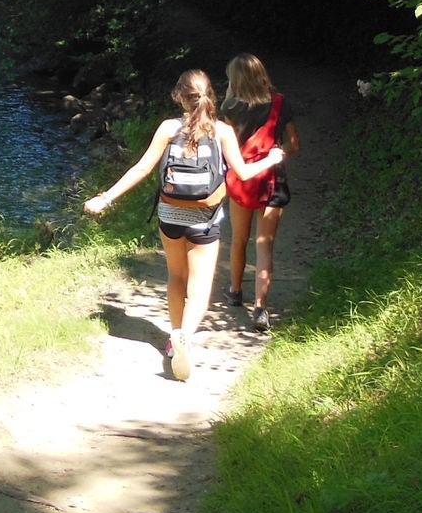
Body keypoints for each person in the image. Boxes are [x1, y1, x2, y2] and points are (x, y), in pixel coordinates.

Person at [84, 70, 286, 380]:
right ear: (211, 96)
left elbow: (142, 168)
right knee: (201, 284)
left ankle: (174, 333)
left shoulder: (168, 128)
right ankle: (185, 338)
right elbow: (243, 174)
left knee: (176, 275)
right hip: (204, 219)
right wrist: (272, 159)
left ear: (180, 96)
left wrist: (106, 198)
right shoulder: (222, 131)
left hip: (170, 215)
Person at [220, 53, 300, 331]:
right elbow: (293, 144)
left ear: (236, 80)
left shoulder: (229, 108)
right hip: (272, 180)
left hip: (242, 180)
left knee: (239, 240)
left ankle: (234, 291)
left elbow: (226, 149)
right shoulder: (280, 102)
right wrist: (277, 153)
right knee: (264, 244)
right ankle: (260, 308)